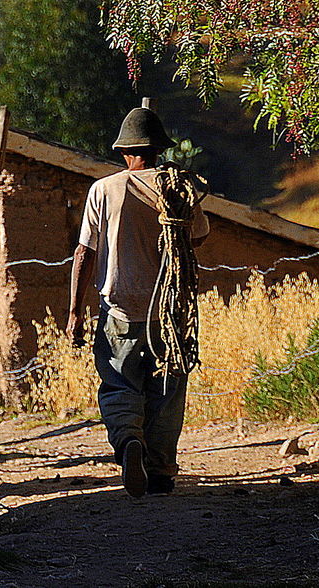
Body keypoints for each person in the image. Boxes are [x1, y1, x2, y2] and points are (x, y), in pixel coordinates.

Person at [67, 107, 209, 498]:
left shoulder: (104, 190)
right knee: (168, 387)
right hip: (170, 309)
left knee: (118, 381)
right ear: (160, 149)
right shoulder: (179, 188)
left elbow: (83, 255)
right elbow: (197, 238)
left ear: (125, 152)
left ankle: (129, 439)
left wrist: (75, 312)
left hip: (120, 309)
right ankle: (161, 471)